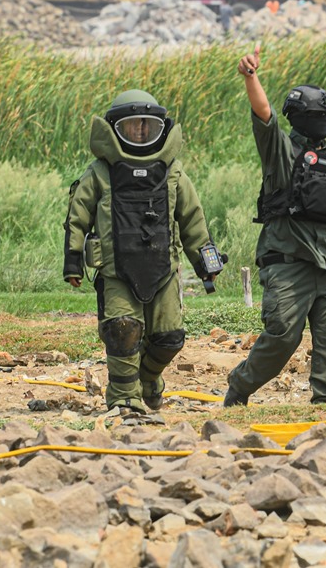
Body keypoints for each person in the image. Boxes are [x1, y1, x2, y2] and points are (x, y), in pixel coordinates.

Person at [64, 89, 219, 416]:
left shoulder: (173, 172)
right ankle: (123, 398)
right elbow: (77, 218)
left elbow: (193, 220)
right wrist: (73, 262)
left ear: (159, 129)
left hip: (163, 271)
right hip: (115, 272)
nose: (139, 132)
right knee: (122, 329)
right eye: (131, 126)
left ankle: (148, 381)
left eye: (146, 126)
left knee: (170, 338)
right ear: (114, 130)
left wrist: (207, 263)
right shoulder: (100, 173)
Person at [225, 46, 326, 407]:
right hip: (287, 263)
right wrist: (250, 76)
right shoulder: (280, 152)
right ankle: (239, 386)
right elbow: (264, 115)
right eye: (314, 114)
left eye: (323, 114)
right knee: (283, 335)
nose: (320, 119)